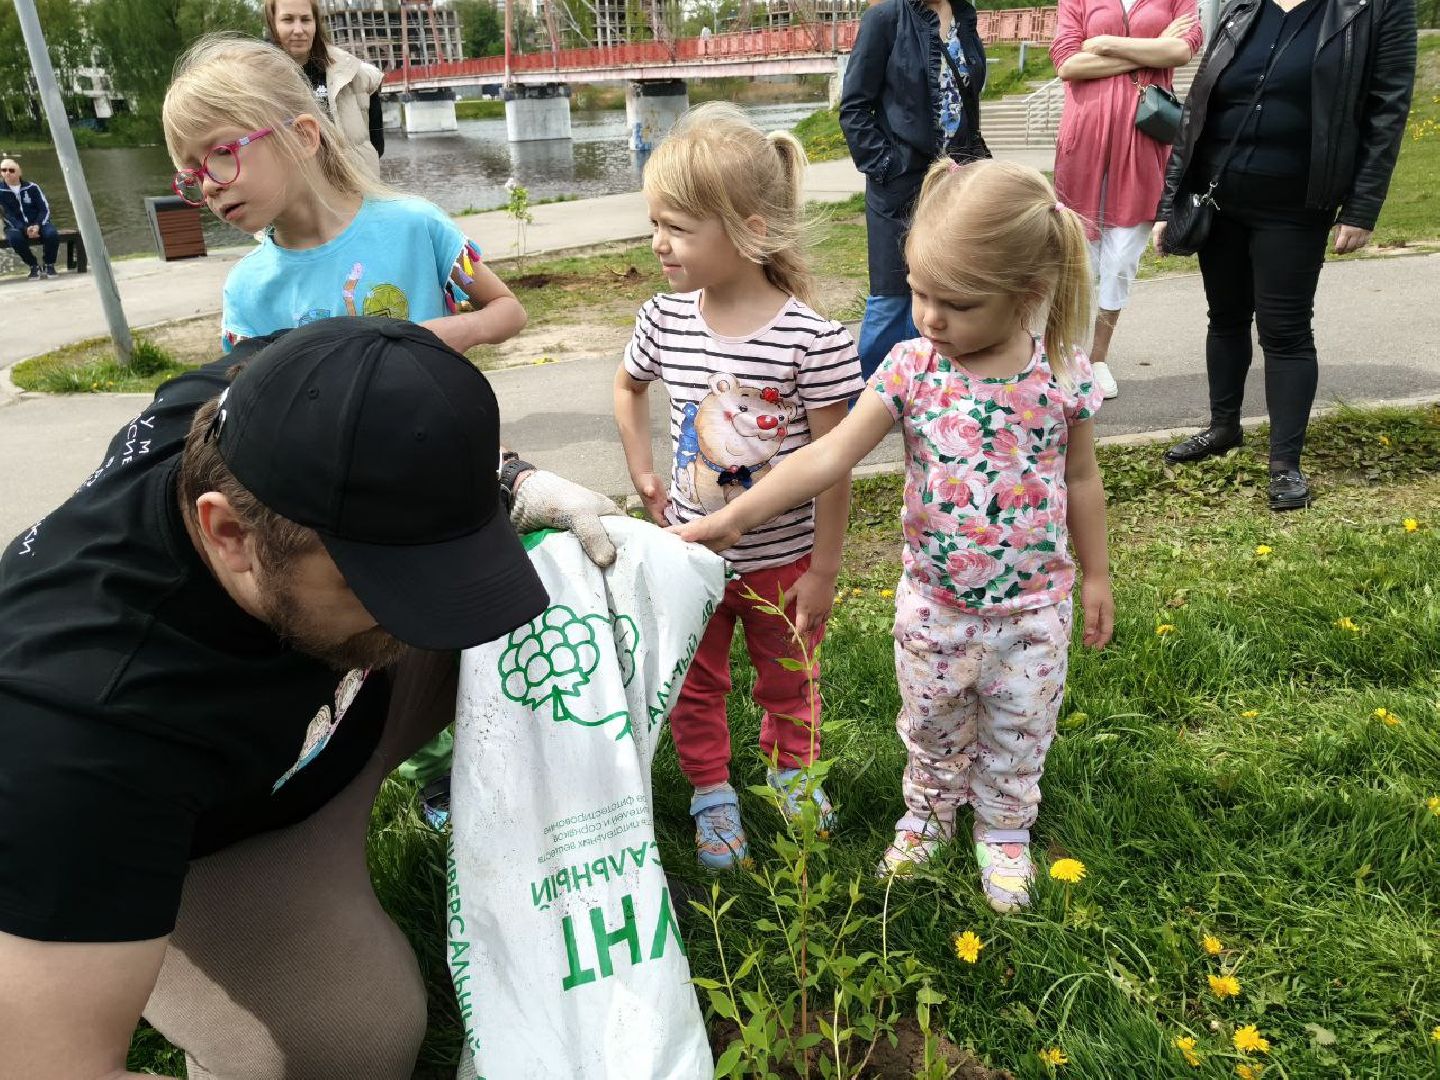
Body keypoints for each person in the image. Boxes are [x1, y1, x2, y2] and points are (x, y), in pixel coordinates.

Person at [0, 317, 623, 1078]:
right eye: (380, 582)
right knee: (346, 1042)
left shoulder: (250, 402)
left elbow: (377, 391)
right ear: (229, 534)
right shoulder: (78, 739)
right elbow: (52, 1069)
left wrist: (511, 479)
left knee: (589, 588)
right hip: (213, 835)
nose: (429, 615)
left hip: (336, 708)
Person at [673, 159, 1114, 913]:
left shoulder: (1064, 377)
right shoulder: (912, 368)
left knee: (1020, 725)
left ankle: (1005, 828)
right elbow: (827, 453)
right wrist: (732, 518)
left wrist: (1098, 574)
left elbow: (1081, 479)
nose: (930, 317)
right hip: (934, 606)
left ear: (1029, 295)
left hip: (1035, 609)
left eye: (956, 302)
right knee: (932, 720)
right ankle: (930, 814)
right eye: (918, 292)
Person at [613, 103, 864, 870]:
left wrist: (822, 569)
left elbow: (834, 466)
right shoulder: (664, 318)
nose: (659, 242)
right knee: (696, 685)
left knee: (790, 680)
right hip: (692, 561)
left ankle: (794, 776)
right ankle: (711, 794)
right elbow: (627, 388)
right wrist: (642, 469)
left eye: (679, 227)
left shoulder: (809, 340)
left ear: (749, 229)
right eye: (655, 221)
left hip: (783, 565)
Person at [1155, 0, 1415, 510]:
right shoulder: (1244, 5)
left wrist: (1361, 206)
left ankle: (1285, 465)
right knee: (1225, 317)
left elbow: (1389, 108)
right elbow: (1200, 104)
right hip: (1219, 194)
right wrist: (1171, 200)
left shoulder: (1377, 9)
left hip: (1296, 204)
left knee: (1286, 331)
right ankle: (1223, 427)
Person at [163, 37, 523, 361]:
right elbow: (250, 402)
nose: (208, 186)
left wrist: (450, 333)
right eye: (193, 173)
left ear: (303, 137)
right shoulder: (247, 289)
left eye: (222, 152)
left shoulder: (417, 226)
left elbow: (508, 310)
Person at [1051, 0, 1202, 400]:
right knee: (1076, 257)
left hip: (1143, 143)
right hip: (1084, 139)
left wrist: (1103, 43)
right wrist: (1146, 50)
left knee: (1120, 261)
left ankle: (1097, 357)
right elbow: (1068, 64)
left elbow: (1182, 50)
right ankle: (1063, 356)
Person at [839, 0, 989, 383]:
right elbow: (855, 107)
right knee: (891, 297)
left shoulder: (964, 16)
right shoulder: (885, 17)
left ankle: (928, 388)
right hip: (899, 181)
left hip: (955, 180)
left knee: (946, 287)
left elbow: (966, 99)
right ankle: (863, 398)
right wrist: (886, 166)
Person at [265, 0, 385, 176]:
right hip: (295, 200)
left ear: (316, 24)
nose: (299, 30)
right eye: (288, 20)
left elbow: (376, 148)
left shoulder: (356, 77)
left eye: (306, 19)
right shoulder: (256, 83)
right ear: (273, 24)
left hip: (353, 195)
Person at [0, 157, 61, 280]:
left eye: (11, 170)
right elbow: (7, 215)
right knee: (14, 238)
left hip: (39, 223)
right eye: (3, 170)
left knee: (52, 234)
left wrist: (38, 225)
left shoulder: (32, 187)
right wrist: (24, 229)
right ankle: (33, 265)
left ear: (19, 172)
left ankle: (49, 264)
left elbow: (44, 209)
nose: (7, 173)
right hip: (15, 226)